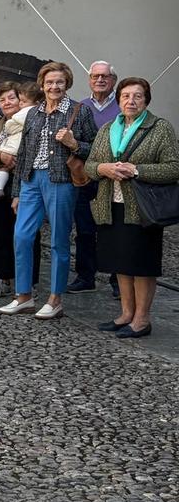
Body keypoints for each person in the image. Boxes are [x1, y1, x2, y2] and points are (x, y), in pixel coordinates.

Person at [0, 62, 97, 320]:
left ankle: (55, 298)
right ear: (42, 85)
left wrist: (74, 143)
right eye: (50, 82)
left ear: (67, 85)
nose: (54, 87)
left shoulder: (80, 111)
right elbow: (22, 155)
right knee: (21, 236)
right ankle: (24, 296)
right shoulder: (33, 113)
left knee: (58, 241)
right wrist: (17, 191)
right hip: (31, 179)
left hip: (61, 180)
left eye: (60, 82)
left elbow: (95, 148)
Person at [85, 77, 179, 338]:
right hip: (110, 204)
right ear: (118, 101)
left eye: (137, 96)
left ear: (146, 100)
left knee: (142, 264)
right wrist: (103, 168)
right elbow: (89, 166)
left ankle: (141, 319)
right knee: (121, 263)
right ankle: (126, 313)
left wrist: (136, 170)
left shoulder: (160, 128)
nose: (131, 101)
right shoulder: (107, 129)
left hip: (142, 209)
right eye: (126, 96)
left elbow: (173, 168)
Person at [0, 82, 39, 297]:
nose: (6, 103)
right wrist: (1, 157)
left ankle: (28, 283)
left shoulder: (33, 119)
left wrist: (17, 160)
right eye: (2, 100)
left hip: (26, 182)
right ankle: (3, 278)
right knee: (0, 232)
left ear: (21, 99)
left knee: (27, 233)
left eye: (11, 98)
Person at [71, 60, 120, 295]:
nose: (100, 80)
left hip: (115, 178)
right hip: (86, 176)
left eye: (105, 76)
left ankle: (118, 280)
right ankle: (85, 276)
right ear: (89, 79)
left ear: (114, 80)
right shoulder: (79, 107)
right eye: (95, 76)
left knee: (114, 229)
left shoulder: (124, 106)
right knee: (85, 229)